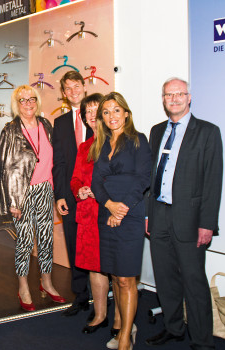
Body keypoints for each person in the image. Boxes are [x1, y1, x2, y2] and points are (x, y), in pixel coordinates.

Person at [145, 78, 222, 350]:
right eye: (169, 94)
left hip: (190, 220)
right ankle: (174, 328)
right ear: (163, 99)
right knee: (165, 280)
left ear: (190, 98)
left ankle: (203, 341)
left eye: (180, 94)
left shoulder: (208, 132)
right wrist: (147, 215)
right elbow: (150, 177)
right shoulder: (156, 132)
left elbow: (213, 181)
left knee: (194, 282)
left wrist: (208, 224)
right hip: (159, 215)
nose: (174, 98)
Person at [90, 92, 151, 350]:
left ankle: (126, 337)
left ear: (126, 113)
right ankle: (123, 325)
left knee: (126, 279)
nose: (112, 116)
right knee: (115, 275)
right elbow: (95, 183)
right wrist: (109, 206)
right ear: (101, 118)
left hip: (131, 213)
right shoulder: (102, 144)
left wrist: (121, 209)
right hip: (107, 214)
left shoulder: (138, 140)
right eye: (106, 112)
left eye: (116, 110)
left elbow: (144, 178)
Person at [0, 85, 64, 312]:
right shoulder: (10, 130)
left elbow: (54, 161)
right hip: (22, 193)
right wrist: (12, 201)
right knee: (25, 242)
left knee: (46, 239)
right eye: (22, 100)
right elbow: (6, 169)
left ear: (37, 102)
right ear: (16, 104)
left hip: (45, 190)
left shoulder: (46, 125)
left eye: (32, 99)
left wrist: (56, 192)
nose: (28, 103)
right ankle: (23, 285)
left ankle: (46, 282)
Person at [70, 92, 123, 338]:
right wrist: (79, 189)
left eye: (96, 110)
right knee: (95, 268)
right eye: (87, 112)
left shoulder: (118, 142)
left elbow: (126, 181)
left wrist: (102, 191)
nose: (92, 116)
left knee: (116, 270)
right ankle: (100, 315)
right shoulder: (84, 147)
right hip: (89, 215)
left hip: (111, 213)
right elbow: (75, 180)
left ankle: (122, 321)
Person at [52, 70, 94, 316]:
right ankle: (80, 295)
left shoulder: (99, 116)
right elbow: (58, 163)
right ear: (64, 94)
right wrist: (59, 195)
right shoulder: (60, 123)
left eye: (76, 85)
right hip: (70, 196)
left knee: (97, 246)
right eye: (68, 88)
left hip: (97, 196)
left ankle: (103, 294)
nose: (73, 91)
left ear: (84, 86)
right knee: (74, 244)